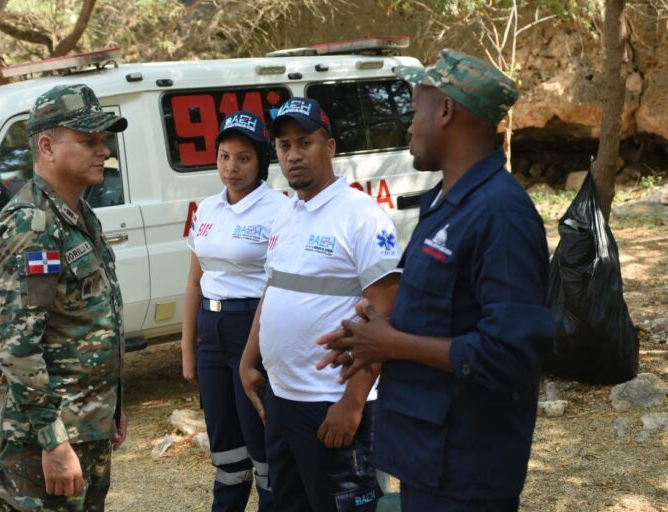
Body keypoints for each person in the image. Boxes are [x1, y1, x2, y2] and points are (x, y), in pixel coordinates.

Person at [317, 49, 556, 511]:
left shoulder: (501, 214)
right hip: (427, 454)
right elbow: (436, 310)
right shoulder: (445, 201)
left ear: (446, 110)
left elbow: (510, 354)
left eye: (414, 111)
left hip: (466, 468)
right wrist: (372, 330)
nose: (409, 126)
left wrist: (393, 344)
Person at [239, 97, 400, 512]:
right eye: (284, 146)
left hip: (332, 405)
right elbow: (273, 291)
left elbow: (386, 311)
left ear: (329, 148)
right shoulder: (287, 213)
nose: (293, 155)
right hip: (281, 402)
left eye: (304, 143)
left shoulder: (361, 216)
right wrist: (248, 359)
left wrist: (354, 401)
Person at [0, 83, 128, 511]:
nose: (103, 151)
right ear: (46, 146)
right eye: (89, 140)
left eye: (103, 140)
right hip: (51, 435)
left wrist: (113, 406)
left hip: (87, 424)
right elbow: (20, 348)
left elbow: (92, 321)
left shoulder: (78, 213)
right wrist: (53, 442)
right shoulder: (33, 228)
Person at [181, 111, 284, 511]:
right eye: (224, 156)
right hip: (212, 333)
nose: (231, 167)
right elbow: (194, 282)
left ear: (260, 160)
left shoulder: (278, 209)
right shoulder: (206, 209)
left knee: (263, 450)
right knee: (225, 450)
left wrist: (255, 351)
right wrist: (189, 351)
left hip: (253, 331)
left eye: (243, 157)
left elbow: (279, 286)